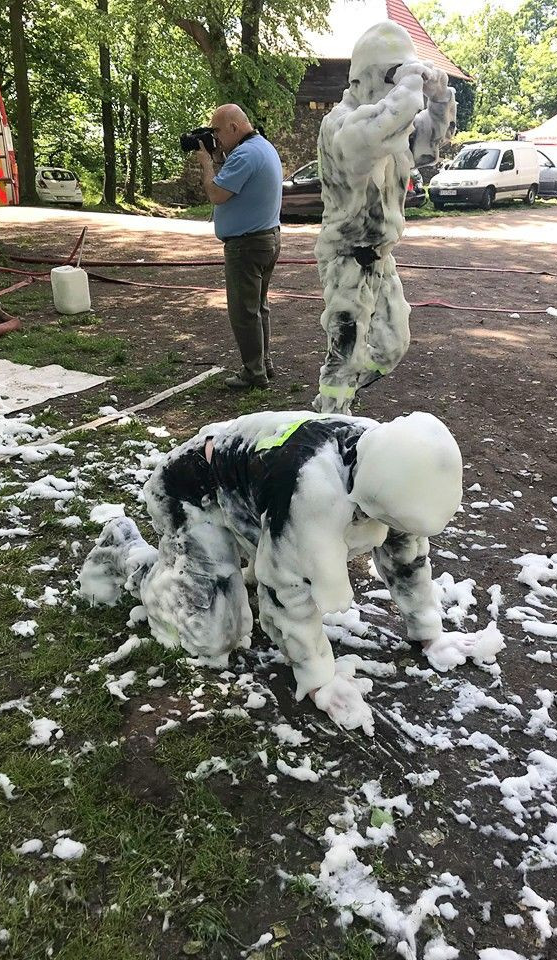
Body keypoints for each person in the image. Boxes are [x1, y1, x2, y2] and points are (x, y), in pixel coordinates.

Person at [79, 410, 464, 734]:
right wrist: (318, 677)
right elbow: (285, 592)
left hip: (249, 485)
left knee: (275, 547)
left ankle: (235, 555)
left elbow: (406, 554)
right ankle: (127, 550)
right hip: (193, 487)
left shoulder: (393, 460)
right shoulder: (310, 491)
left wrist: (427, 631)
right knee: (214, 635)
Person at [313, 22, 457, 414]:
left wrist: (439, 97)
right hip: (346, 257)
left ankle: (338, 397)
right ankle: (331, 419)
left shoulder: (395, 123)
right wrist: (409, 84)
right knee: (344, 352)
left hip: (380, 257)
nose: (400, 86)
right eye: (392, 75)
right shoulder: (340, 124)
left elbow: (429, 142)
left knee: (392, 346)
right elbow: (373, 135)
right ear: (363, 79)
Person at [197, 104, 282, 390]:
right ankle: (264, 363)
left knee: (244, 313)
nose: (215, 139)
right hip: (267, 238)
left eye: (217, 131)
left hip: (247, 244)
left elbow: (217, 194)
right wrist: (220, 159)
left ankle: (253, 372)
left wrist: (207, 164)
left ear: (234, 127)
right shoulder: (262, 147)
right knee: (258, 307)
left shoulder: (245, 154)